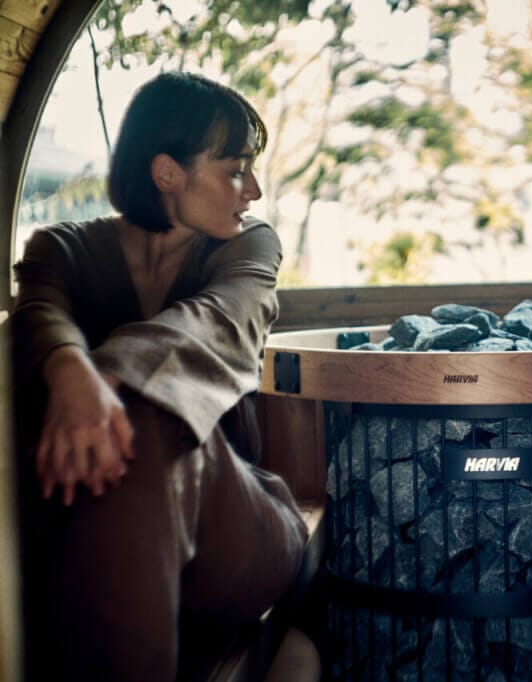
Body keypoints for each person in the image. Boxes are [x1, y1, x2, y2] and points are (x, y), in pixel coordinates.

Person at [12, 72, 309, 681]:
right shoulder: (62, 250)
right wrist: (67, 370)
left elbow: (223, 319)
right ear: (167, 173)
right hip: (105, 522)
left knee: (144, 423)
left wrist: (103, 380)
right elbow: (39, 314)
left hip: (241, 521)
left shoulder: (248, 247)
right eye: (235, 169)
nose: (253, 189)